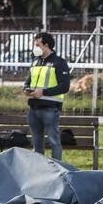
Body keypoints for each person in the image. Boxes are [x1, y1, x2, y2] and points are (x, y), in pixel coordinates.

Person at [23, 32, 71, 160]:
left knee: (54, 142)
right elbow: (28, 81)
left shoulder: (59, 62)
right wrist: (26, 89)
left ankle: (57, 169)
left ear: (46, 45)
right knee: (37, 144)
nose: (35, 47)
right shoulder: (35, 62)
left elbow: (64, 86)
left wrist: (43, 92)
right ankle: (39, 171)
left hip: (50, 109)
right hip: (33, 108)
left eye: (37, 45)